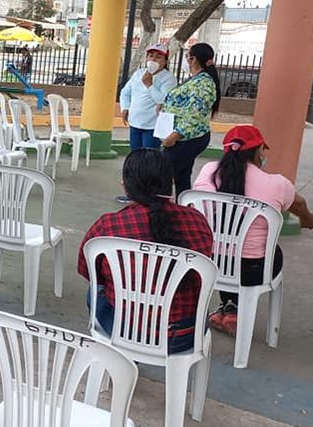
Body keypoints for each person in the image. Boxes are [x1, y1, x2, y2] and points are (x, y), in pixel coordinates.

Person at [78, 149, 214, 354]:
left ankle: (120, 357)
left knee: (95, 289)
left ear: (125, 186)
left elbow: (88, 270)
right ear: (170, 183)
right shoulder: (197, 221)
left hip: (121, 329)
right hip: (184, 336)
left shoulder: (109, 226)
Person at [193, 124, 313, 335]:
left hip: (209, 263)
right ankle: (234, 310)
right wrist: (308, 219)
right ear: (259, 151)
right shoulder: (276, 184)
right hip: (253, 271)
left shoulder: (208, 171)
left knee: (227, 251)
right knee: (269, 252)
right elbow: (298, 203)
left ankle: (229, 307)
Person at [161, 42, 221, 196]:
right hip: (183, 137)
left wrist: (174, 136)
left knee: (162, 176)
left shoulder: (203, 84)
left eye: (187, 56)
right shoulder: (196, 79)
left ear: (193, 59)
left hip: (186, 139)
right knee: (182, 176)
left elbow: (195, 114)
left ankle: (160, 207)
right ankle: (183, 206)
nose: (186, 60)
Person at [120, 43, 178, 151]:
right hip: (135, 122)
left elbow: (163, 101)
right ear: (146, 58)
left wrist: (149, 85)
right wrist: (125, 108)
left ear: (165, 62)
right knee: (135, 154)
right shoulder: (138, 73)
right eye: (151, 56)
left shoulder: (169, 79)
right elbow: (125, 92)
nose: (153, 59)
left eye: (158, 57)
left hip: (153, 126)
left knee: (149, 155)